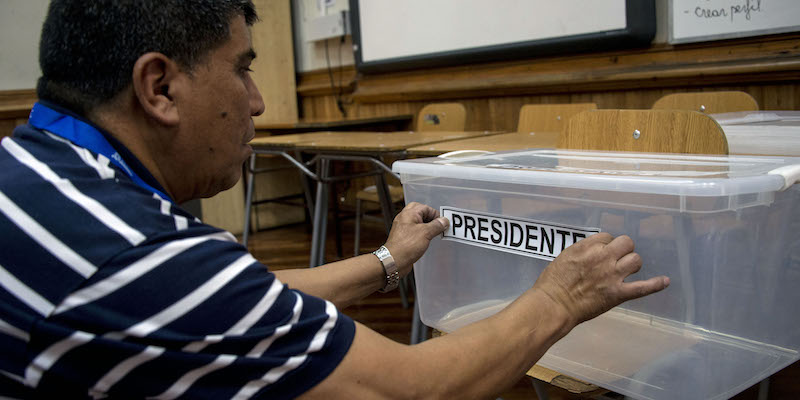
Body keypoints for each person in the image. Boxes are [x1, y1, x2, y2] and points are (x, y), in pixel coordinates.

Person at [0, 1, 669, 398]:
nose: (257, 101)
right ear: (159, 88)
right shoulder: (135, 255)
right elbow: (407, 389)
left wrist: (387, 257)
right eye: (242, 68)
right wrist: (559, 297)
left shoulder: (38, 175)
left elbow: (242, 295)